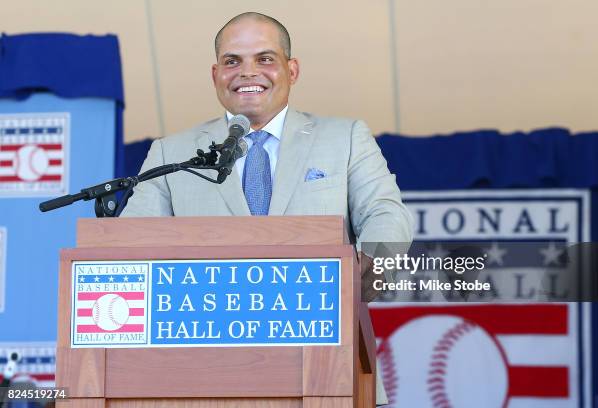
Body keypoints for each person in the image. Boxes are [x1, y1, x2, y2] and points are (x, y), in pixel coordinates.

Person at [121, 12, 413, 405]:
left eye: (264, 58)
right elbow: (129, 248)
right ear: (215, 74)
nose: (247, 72)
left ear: (291, 70)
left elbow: (386, 214)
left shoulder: (343, 138)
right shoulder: (172, 153)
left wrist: (360, 282)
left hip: (326, 363)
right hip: (203, 375)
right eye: (232, 61)